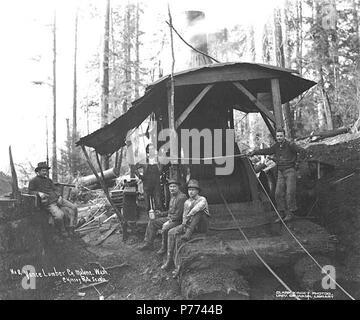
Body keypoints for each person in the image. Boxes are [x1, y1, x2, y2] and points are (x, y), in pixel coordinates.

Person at [248, 128, 306, 222]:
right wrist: (255, 152)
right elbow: (268, 150)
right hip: (280, 172)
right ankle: (281, 213)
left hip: (290, 171)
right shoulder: (276, 146)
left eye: (281, 136)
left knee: (289, 193)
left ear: (284, 136)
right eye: (278, 136)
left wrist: (297, 163)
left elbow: (302, 151)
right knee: (278, 193)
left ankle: (290, 213)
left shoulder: (290, 145)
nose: (279, 138)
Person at [161, 179, 209, 271]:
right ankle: (169, 260)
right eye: (189, 190)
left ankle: (188, 233)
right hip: (190, 225)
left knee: (198, 212)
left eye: (193, 190)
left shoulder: (202, 199)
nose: (191, 192)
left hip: (201, 226)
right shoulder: (187, 202)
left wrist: (188, 218)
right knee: (171, 232)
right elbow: (184, 216)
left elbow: (196, 210)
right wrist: (183, 225)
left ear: (198, 191)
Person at [28, 162, 78, 236]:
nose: (45, 172)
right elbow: (30, 191)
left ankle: (71, 227)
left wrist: (60, 196)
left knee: (74, 207)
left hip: (58, 199)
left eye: (46, 171)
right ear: (38, 171)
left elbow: (55, 189)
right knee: (59, 215)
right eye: (43, 171)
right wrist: (38, 193)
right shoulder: (33, 181)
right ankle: (63, 231)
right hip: (49, 203)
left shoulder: (49, 180)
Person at [138, 179, 187, 252]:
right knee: (152, 222)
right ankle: (148, 244)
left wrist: (169, 221)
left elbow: (179, 215)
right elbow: (171, 211)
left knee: (165, 228)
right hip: (170, 218)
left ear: (178, 187)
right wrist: (161, 213)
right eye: (170, 186)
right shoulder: (173, 196)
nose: (172, 188)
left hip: (178, 221)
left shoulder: (181, 198)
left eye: (174, 186)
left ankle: (164, 247)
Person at [135, 143, 162, 212]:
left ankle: (158, 216)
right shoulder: (144, 161)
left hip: (156, 183)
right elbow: (134, 168)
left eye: (153, 149)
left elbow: (161, 170)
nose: (152, 151)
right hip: (147, 183)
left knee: (158, 201)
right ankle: (148, 216)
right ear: (147, 151)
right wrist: (140, 176)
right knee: (147, 203)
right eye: (150, 149)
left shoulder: (158, 160)